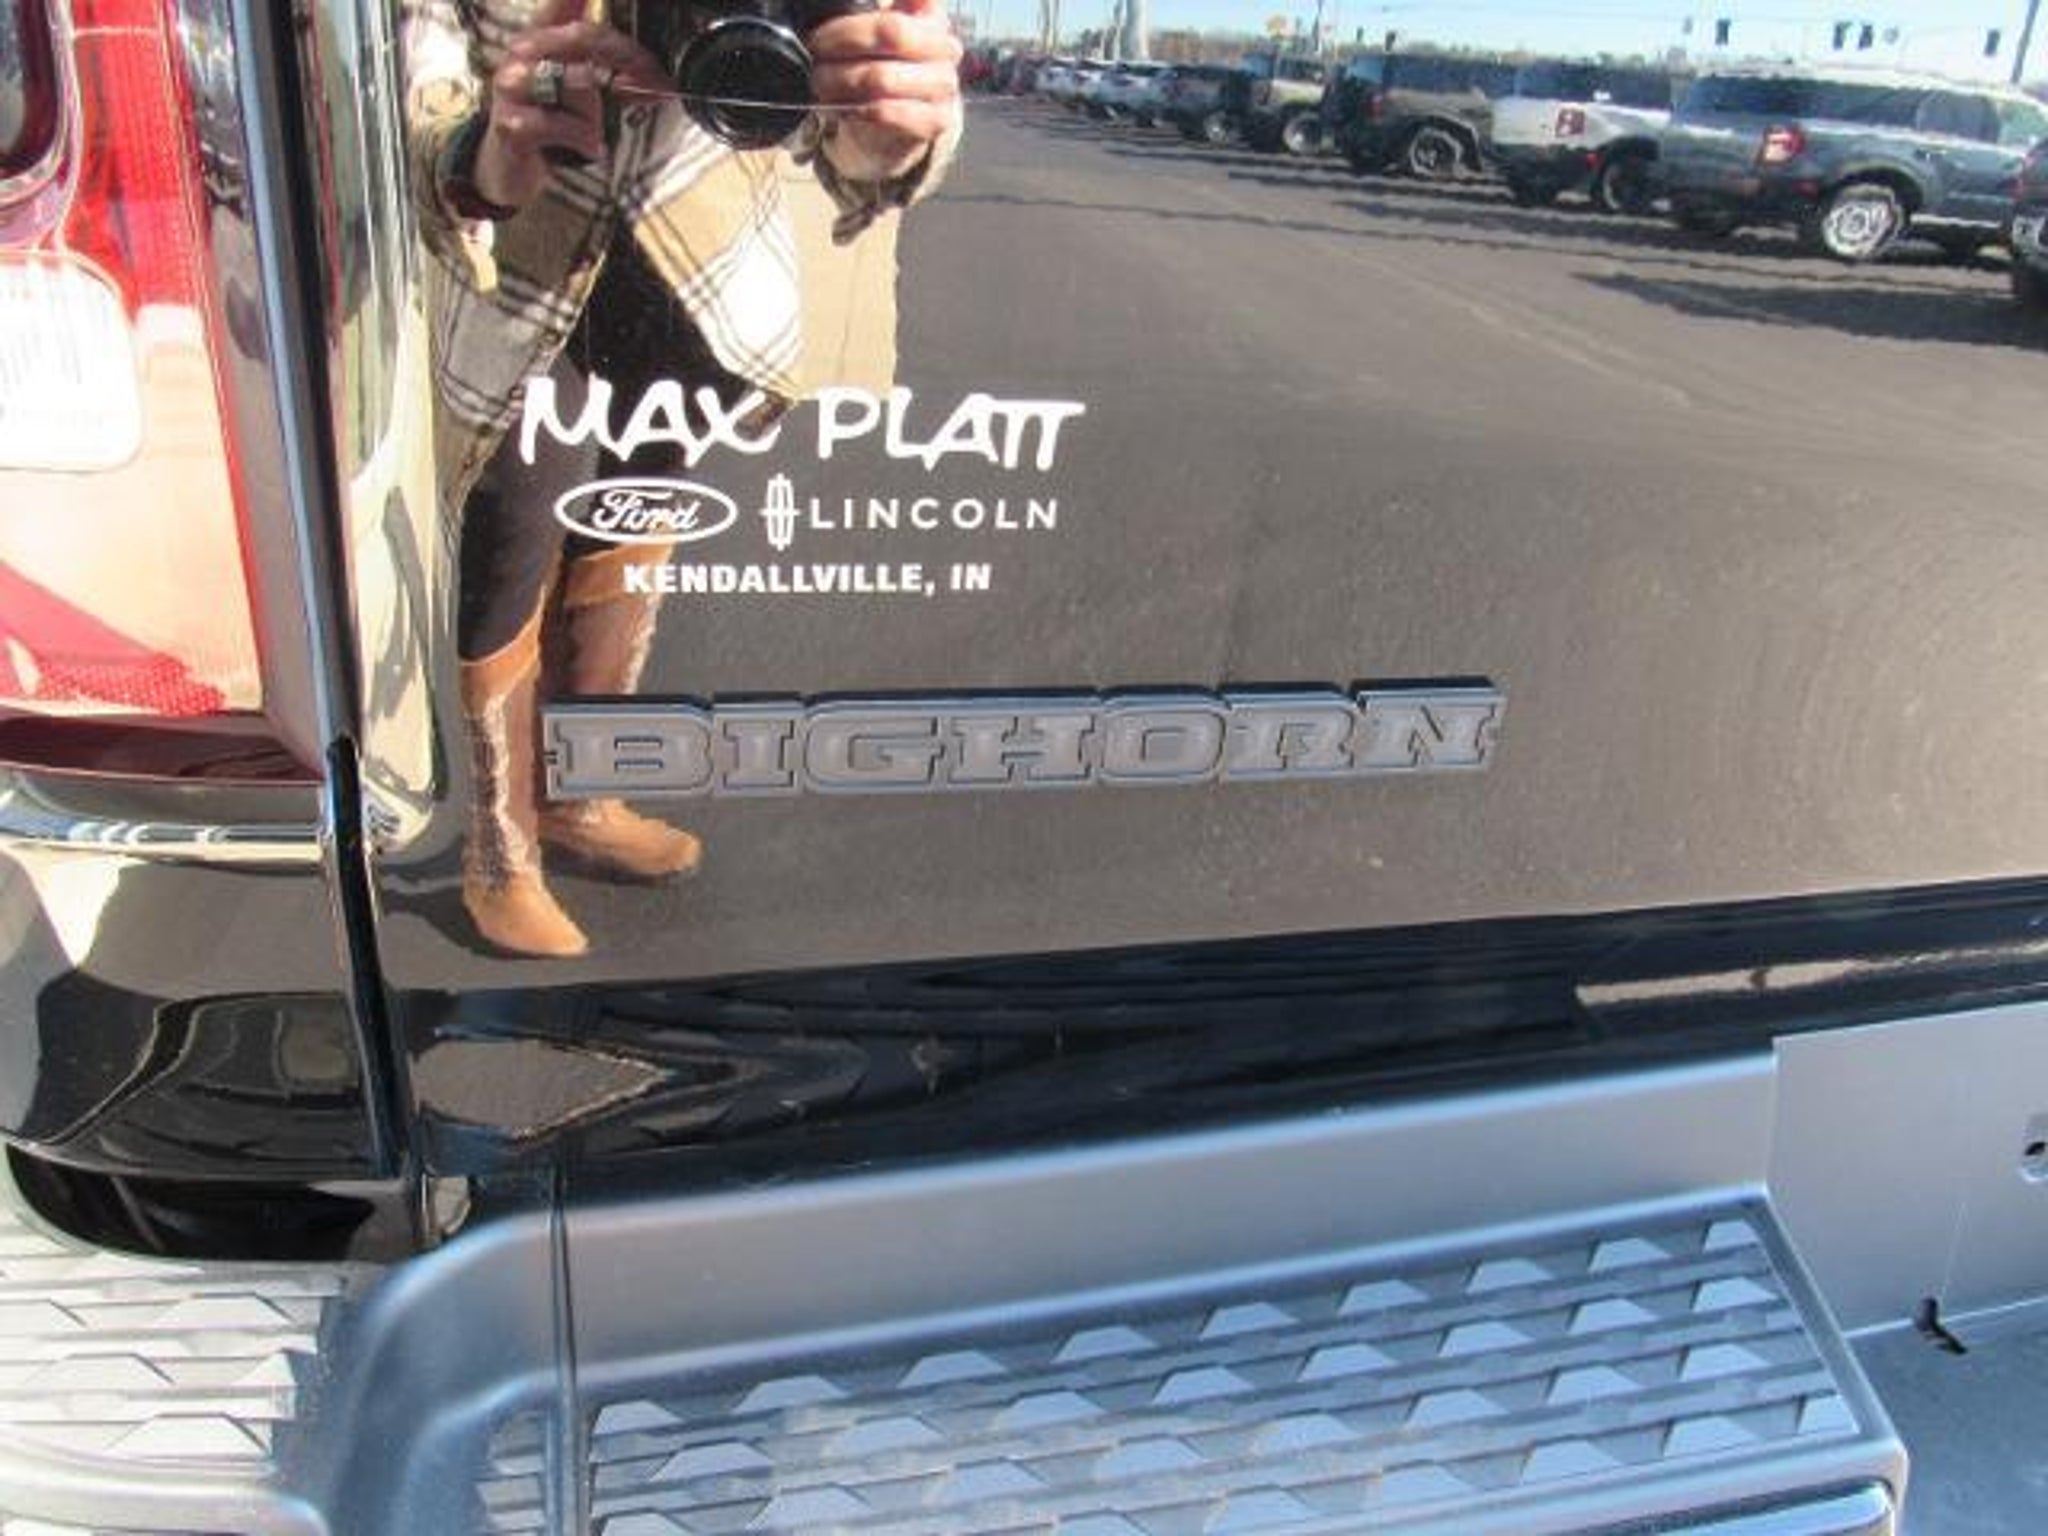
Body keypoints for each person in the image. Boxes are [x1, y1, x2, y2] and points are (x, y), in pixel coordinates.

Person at [401, 0, 962, 958]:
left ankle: (581, 795)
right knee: (518, 517)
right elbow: (416, 63)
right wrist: (479, 152)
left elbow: (866, 95)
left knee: (645, 501)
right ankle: (502, 847)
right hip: (520, 246)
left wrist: (890, 127)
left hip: (706, 260)